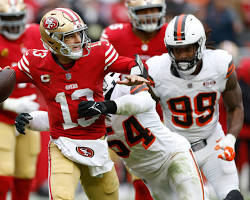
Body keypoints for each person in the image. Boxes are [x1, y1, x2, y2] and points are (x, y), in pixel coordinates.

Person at [3, 7, 148, 200]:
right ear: (52, 40)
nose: (78, 40)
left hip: (97, 143)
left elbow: (133, 64)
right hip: (63, 144)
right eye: (70, 37)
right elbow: (8, 76)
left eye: (79, 34)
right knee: (61, 196)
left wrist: (137, 73)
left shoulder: (98, 52)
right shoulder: (35, 62)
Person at [15, 73, 206, 200]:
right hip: (145, 172)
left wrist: (107, 106)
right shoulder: (88, 107)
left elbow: (144, 100)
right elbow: (57, 120)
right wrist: (31, 119)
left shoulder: (123, 86)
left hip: (172, 156)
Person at [140, 14, 243, 200]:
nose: (182, 55)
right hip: (176, 148)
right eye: (176, 50)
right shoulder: (157, 70)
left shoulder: (219, 64)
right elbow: (143, 111)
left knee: (233, 197)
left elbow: (235, 106)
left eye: (188, 49)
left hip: (213, 142)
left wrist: (230, 138)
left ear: (200, 44)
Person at [100, 1, 168, 198]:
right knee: (108, 174)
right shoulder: (114, 34)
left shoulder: (172, 33)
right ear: (131, 13)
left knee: (150, 177)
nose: (148, 15)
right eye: (143, 10)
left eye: (153, 9)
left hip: (160, 113)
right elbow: (101, 69)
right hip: (120, 113)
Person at [0, 0, 44, 199]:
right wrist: (8, 103)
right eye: (9, 18)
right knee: (3, 172)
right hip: (2, 116)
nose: (14, 23)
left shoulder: (36, 33)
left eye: (17, 17)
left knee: (25, 173)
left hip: (29, 116)